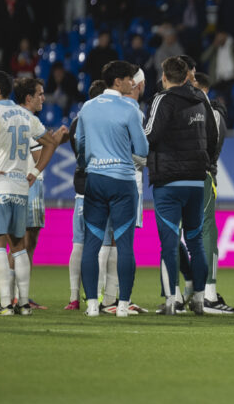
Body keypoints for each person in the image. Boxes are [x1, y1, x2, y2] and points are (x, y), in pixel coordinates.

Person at [0, 70, 66, 316]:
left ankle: (6, 305)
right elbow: (49, 143)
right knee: (19, 247)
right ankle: (24, 304)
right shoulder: (26, 116)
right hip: (21, 188)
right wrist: (36, 172)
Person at [144, 57, 218, 315]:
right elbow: (213, 135)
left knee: (169, 242)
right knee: (195, 241)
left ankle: (171, 300)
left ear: (165, 75)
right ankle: (198, 298)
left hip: (169, 180)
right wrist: (205, 162)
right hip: (196, 180)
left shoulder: (162, 99)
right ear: (187, 76)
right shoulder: (200, 99)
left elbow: (149, 135)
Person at [74, 61, 148, 318]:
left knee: (92, 243)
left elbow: (80, 144)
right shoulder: (129, 108)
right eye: (129, 79)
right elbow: (142, 149)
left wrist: (88, 164)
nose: (132, 84)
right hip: (122, 181)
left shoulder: (87, 107)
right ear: (118, 81)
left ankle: (92, 305)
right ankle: (124, 306)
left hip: (95, 180)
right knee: (125, 245)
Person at [16, 77, 65, 310]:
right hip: (30, 182)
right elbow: (38, 158)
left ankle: (19, 295)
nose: (43, 98)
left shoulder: (15, 117)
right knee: (25, 243)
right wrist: (55, 141)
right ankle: (19, 295)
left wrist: (53, 143)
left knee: (24, 242)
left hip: (22, 182)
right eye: (40, 93)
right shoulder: (29, 120)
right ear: (29, 97)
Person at [192, 68, 234, 314]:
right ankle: (205, 295)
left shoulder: (207, 112)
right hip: (200, 176)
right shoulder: (213, 114)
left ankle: (181, 296)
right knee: (205, 231)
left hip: (189, 177)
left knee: (182, 233)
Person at [66, 80, 107, 310]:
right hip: (102, 186)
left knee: (79, 244)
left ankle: (74, 296)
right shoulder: (106, 120)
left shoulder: (77, 122)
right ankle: (100, 297)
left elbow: (80, 153)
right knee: (103, 245)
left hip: (81, 189)